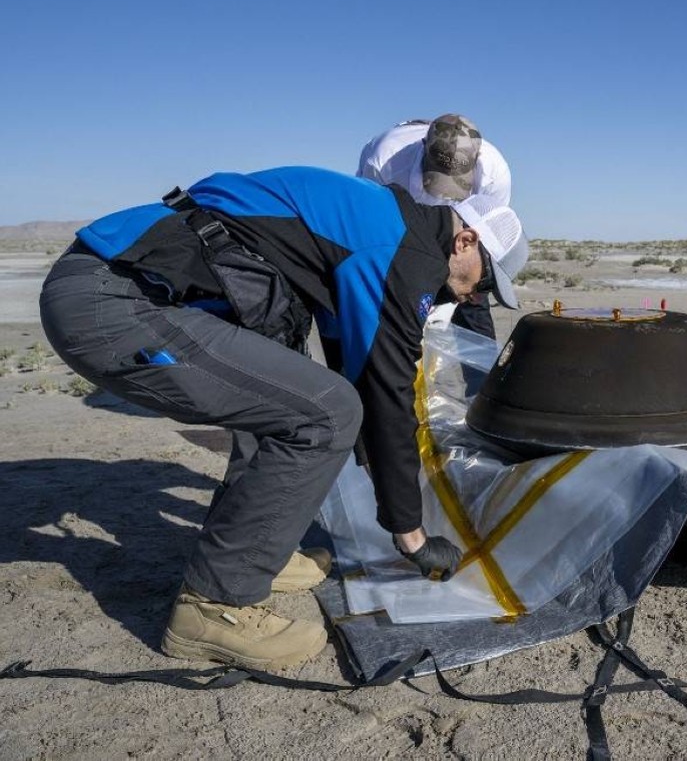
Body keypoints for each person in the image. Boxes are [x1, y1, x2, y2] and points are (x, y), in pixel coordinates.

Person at [39, 166, 529, 670]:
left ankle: (253, 550)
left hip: (115, 285)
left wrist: (372, 464)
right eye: (485, 282)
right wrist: (410, 535)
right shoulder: (404, 253)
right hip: (114, 302)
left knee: (292, 394)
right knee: (326, 413)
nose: (475, 298)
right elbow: (385, 391)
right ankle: (214, 605)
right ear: (464, 240)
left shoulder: (385, 223)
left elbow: (355, 362)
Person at [358, 114, 512, 339]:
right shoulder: (384, 159)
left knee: (473, 305)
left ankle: (483, 374)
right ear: (423, 148)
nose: (443, 194)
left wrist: (451, 298)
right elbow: (372, 228)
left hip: (459, 242)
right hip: (400, 232)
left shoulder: (495, 173)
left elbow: (487, 241)